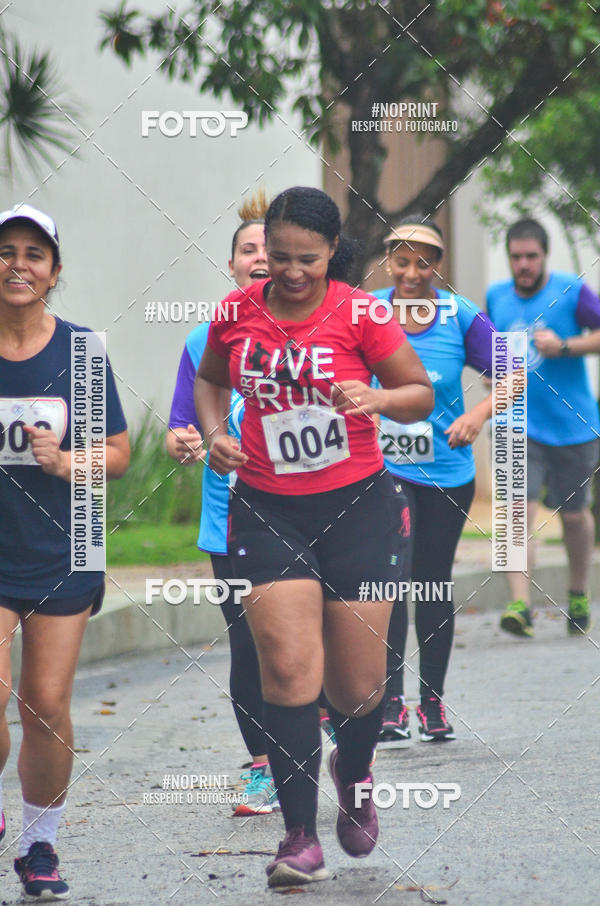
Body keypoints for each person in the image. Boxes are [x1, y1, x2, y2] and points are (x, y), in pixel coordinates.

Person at [194, 186, 433, 887]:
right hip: (268, 509)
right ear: (263, 247)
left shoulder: (359, 313)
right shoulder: (236, 312)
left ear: (333, 254)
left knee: (359, 688)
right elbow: (210, 380)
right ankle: (298, 836)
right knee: (290, 670)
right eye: (280, 258)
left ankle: (352, 771)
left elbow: (418, 393)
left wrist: (378, 398)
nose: (293, 272)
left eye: (309, 259)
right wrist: (215, 434)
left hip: (359, 507)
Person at [0, 204, 129, 900]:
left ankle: (38, 843)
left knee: (45, 704)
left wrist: (65, 463)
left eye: (33, 254)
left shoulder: (80, 353)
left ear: (53, 272)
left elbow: (118, 454)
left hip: (64, 544)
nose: (17, 264)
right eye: (5, 251)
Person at [166, 193, 281, 815]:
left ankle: (326, 737)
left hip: (305, 510)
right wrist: (185, 441)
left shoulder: (309, 331)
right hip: (229, 518)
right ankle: (265, 766)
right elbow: (177, 426)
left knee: (300, 640)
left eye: (268, 249)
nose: (259, 259)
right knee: (247, 646)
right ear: (233, 265)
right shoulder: (201, 338)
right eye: (248, 250)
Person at [372, 217, 497, 744]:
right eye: (401, 261)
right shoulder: (369, 310)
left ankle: (434, 704)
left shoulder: (459, 314)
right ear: (389, 262)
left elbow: (513, 371)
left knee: (431, 581)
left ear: (436, 267)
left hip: (448, 471)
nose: (410, 272)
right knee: (393, 579)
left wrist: (478, 414)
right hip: (385, 469)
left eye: (421, 262)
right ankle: (390, 705)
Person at [487, 218, 600, 637]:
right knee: (516, 511)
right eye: (516, 257)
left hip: (573, 424)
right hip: (516, 422)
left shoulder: (571, 289)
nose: (523, 265)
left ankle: (577, 592)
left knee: (573, 516)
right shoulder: (497, 296)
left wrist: (565, 346)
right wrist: (492, 371)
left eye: (531, 256)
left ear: (544, 256)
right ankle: (521, 604)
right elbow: (493, 348)